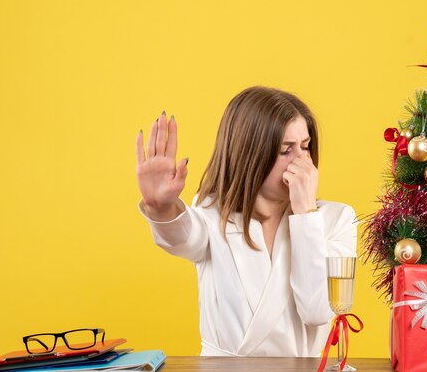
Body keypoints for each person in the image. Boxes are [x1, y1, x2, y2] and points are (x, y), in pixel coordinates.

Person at [135, 86, 357, 357]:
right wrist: (161, 207)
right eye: (285, 150)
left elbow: (317, 311)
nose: (301, 161)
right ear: (250, 154)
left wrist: (305, 214)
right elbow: (183, 236)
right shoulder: (212, 213)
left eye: (305, 147)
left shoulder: (337, 219)